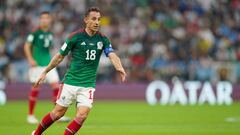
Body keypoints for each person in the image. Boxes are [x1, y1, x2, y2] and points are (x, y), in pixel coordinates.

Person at [31, 7, 126, 135]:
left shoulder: (103, 39)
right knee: (58, 113)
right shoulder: (75, 37)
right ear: (86, 20)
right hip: (71, 82)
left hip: (87, 85)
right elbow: (59, 56)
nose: (97, 22)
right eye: (93, 19)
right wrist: (45, 72)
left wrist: (119, 67)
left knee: (82, 115)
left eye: (98, 19)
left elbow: (112, 55)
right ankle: (36, 133)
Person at [24, 11, 70, 124]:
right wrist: (30, 59)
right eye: (43, 18)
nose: (45, 20)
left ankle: (57, 114)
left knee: (56, 87)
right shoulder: (35, 32)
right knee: (35, 89)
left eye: (47, 18)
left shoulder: (50, 33)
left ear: (49, 20)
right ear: (40, 20)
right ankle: (30, 115)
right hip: (37, 65)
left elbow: (48, 49)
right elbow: (26, 46)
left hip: (48, 65)